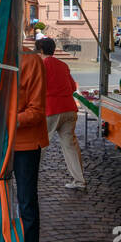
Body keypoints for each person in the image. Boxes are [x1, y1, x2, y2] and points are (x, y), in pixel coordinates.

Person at [14, 37, 48, 242]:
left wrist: (7, 121)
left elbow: (36, 111)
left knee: (26, 203)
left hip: (25, 144)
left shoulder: (31, 61)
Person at [39, 37, 85, 190]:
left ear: (40, 50)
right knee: (70, 146)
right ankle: (79, 180)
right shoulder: (63, 65)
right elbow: (72, 87)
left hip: (51, 109)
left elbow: (37, 88)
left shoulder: (42, 65)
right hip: (69, 109)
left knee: (40, 144)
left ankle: (30, 177)